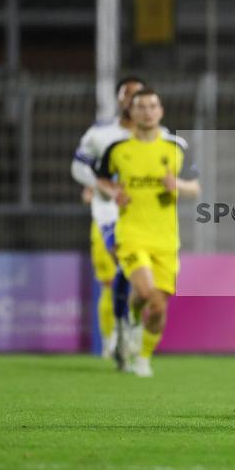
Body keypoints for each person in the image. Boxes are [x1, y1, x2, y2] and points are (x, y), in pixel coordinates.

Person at [96, 89, 201, 377]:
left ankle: (142, 356)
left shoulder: (176, 147)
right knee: (143, 290)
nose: (147, 111)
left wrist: (176, 185)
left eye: (153, 105)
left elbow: (195, 188)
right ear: (131, 113)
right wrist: (113, 191)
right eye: (141, 107)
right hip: (131, 233)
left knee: (156, 307)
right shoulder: (118, 149)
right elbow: (101, 180)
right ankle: (129, 322)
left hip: (165, 239)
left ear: (161, 111)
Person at [71, 76, 145, 364]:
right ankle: (111, 339)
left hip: (143, 219)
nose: (134, 101)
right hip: (107, 216)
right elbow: (78, 166)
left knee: (140, 281)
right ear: (120, 100)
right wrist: (99, 183)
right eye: (129, 95)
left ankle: (130, 333)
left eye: (139, 96)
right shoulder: (100, 134)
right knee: (109, 280)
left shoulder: (156, 136)